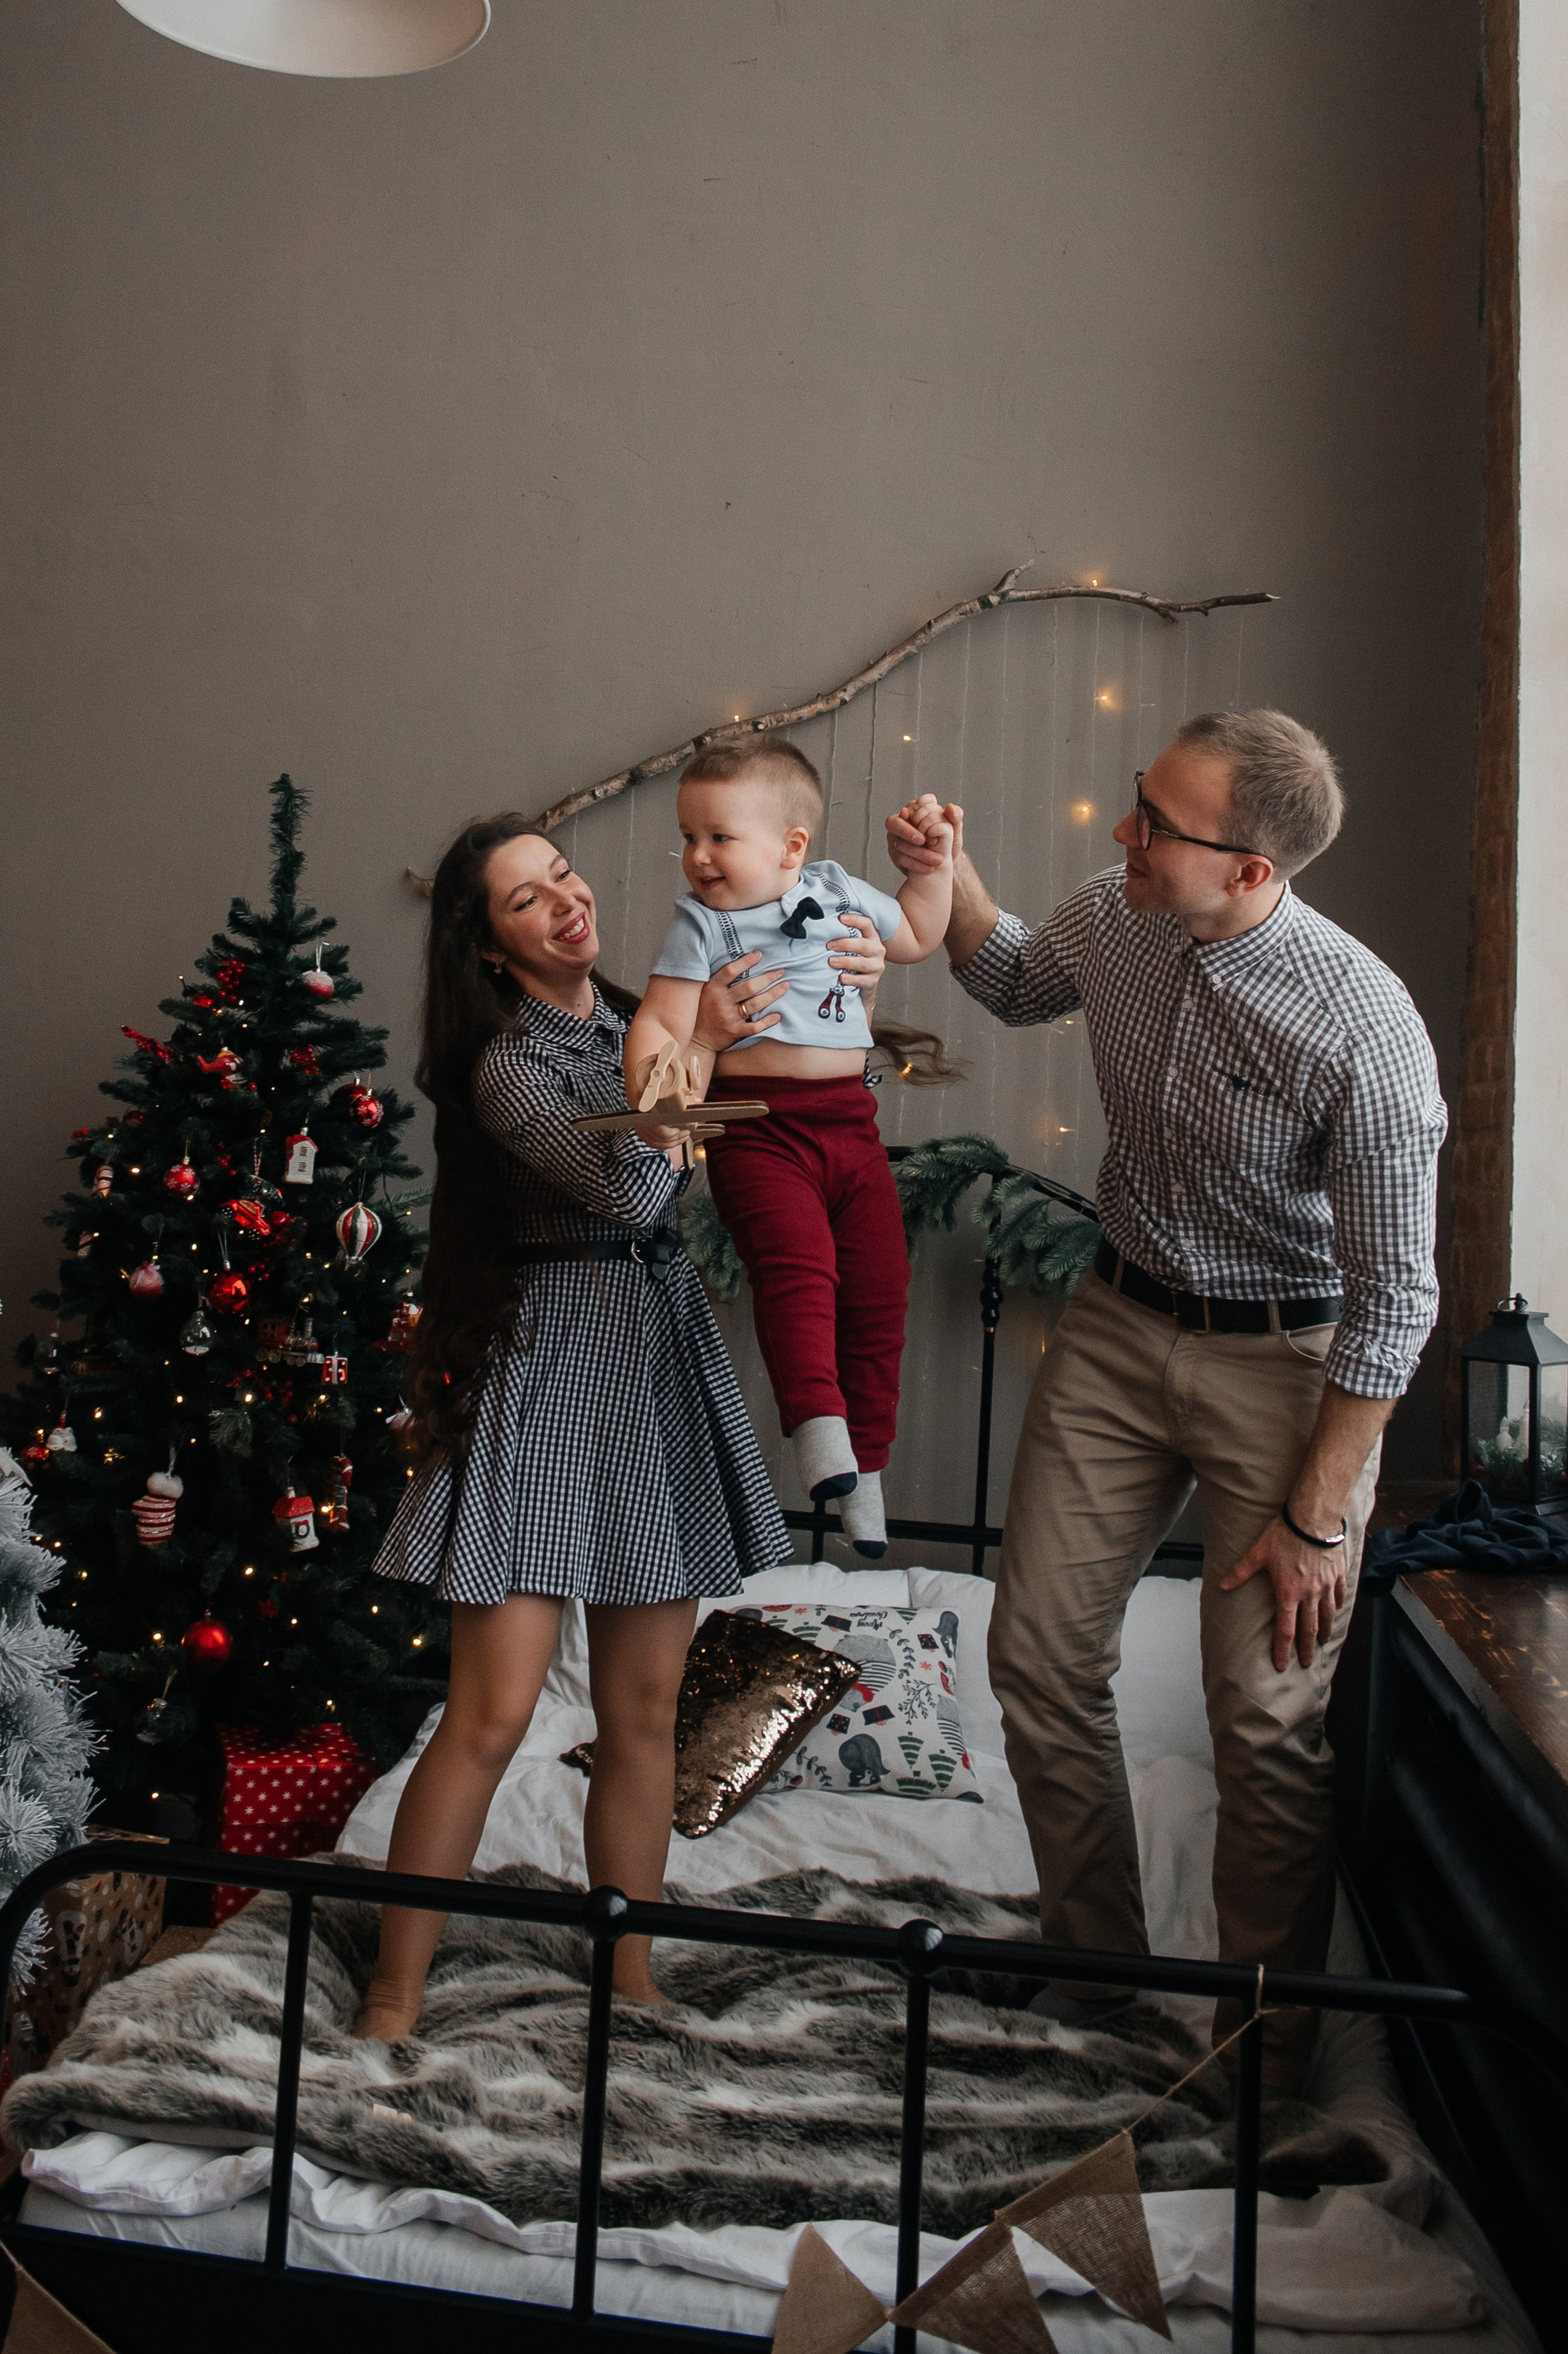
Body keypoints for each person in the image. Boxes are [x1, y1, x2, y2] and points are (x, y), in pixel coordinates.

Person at [904, 711, 1445, 2090]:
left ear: (1253, 871)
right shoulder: (1125, 910)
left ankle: (1256, 2065)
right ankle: (1099, 1970)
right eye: (1137, 804)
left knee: (1264, 1719)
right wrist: (951, 871)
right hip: (1120, 1325)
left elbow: (1399, 1297)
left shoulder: (1362, 1028)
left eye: (1157, 822)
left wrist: (1323, 1512)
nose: (1122, 834)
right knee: (1035, 1656)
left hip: (1293, 1369)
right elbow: (1017, 979)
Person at [359, 814, 877, 2039]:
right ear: (490, 950)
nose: (566, 905)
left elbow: (798, 1061)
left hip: (651, 1365)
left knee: (644, 1718)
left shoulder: (642, 1019)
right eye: (527, 901)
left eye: (566, 877)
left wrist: (842, 962)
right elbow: (638, 1181)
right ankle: (392, 2000)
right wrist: (699, 1046)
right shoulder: (510, 1067)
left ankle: (630, 1980)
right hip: (547, 1369)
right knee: (487, 1718)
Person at [622, 743, 957, 1557]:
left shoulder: (838, 889)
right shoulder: (701, 922)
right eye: (687, 837)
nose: (697, 856)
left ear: (791, 846)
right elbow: (661, 1025)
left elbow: (915, 931)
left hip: (851, 1126)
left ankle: (867, 1464)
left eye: (719, 837)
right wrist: (661, 1092)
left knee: (880, 1289)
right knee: (798, 1272)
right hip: (758, 1127)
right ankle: (816, 1426)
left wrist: (935, 869)